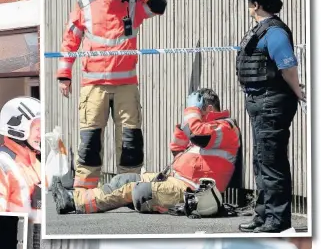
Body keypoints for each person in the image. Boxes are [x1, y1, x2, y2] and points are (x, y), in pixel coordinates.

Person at [57, 0, 167, 190]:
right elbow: (70, 41)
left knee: (130, 139)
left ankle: (129, 189)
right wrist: (64, 75)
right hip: (94, 86)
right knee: (90, 139)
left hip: (126, 85)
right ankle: (84, 192)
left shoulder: (134, 7)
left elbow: (160, 5)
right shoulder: (85, 7)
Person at [52, 88, 240, 217]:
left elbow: (199, 137)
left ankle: (74, 203)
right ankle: (74, 199)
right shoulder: (200, 125)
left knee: (135, 191)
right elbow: (176, 149)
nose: (194, 114)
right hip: (174, 180)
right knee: (123, 180)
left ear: (207, 109)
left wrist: (191, 113)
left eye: (198, 110)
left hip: (192, 192)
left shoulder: (226, 127)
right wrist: (186, 124)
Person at [236, 0, 306, 233]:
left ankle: (277, 219)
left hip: (271, 101)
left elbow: (287, 66)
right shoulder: (261, 29)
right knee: (261, 159)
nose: (249, 7)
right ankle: (263, 214)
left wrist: (297, 90)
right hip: (259, 101)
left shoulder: (274, 31)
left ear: (255, 4)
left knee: (271, 161)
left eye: (250, 3)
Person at [0, 97, 41, 222]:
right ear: (18, 130)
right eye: (38, 129)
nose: (41, 134)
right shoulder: (3, 163)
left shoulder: (34, 160)